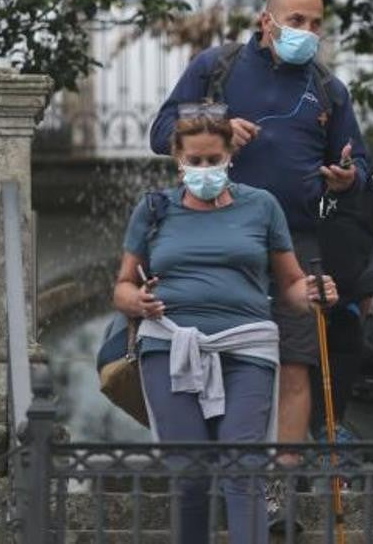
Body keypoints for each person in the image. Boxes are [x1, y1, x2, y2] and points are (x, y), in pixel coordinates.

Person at [148, 0, 371, 525]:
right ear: (265, 21)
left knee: (297, 362)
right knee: (216, 358)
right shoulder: (216, 67)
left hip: (298, 240)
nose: (308, 33)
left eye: (317, 24)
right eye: (298, 21)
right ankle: (219, 481)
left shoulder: (327, 87)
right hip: (219, 237)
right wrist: (217, 127)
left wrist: (346, 179)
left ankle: (278, 491)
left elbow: (360, 166)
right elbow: (160, 133)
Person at [113, 110, 337, 544]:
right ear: (178, 159)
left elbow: (290, 284)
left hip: (247, 348)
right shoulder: (154, 209)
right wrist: (136, 301)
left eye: (212, 159)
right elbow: (122, 286)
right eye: (194, 162)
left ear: (230, 154)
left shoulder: (261, 205)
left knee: (244, 466)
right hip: (170, 348)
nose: (204, 170)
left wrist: (310, 293)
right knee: (192, 473)